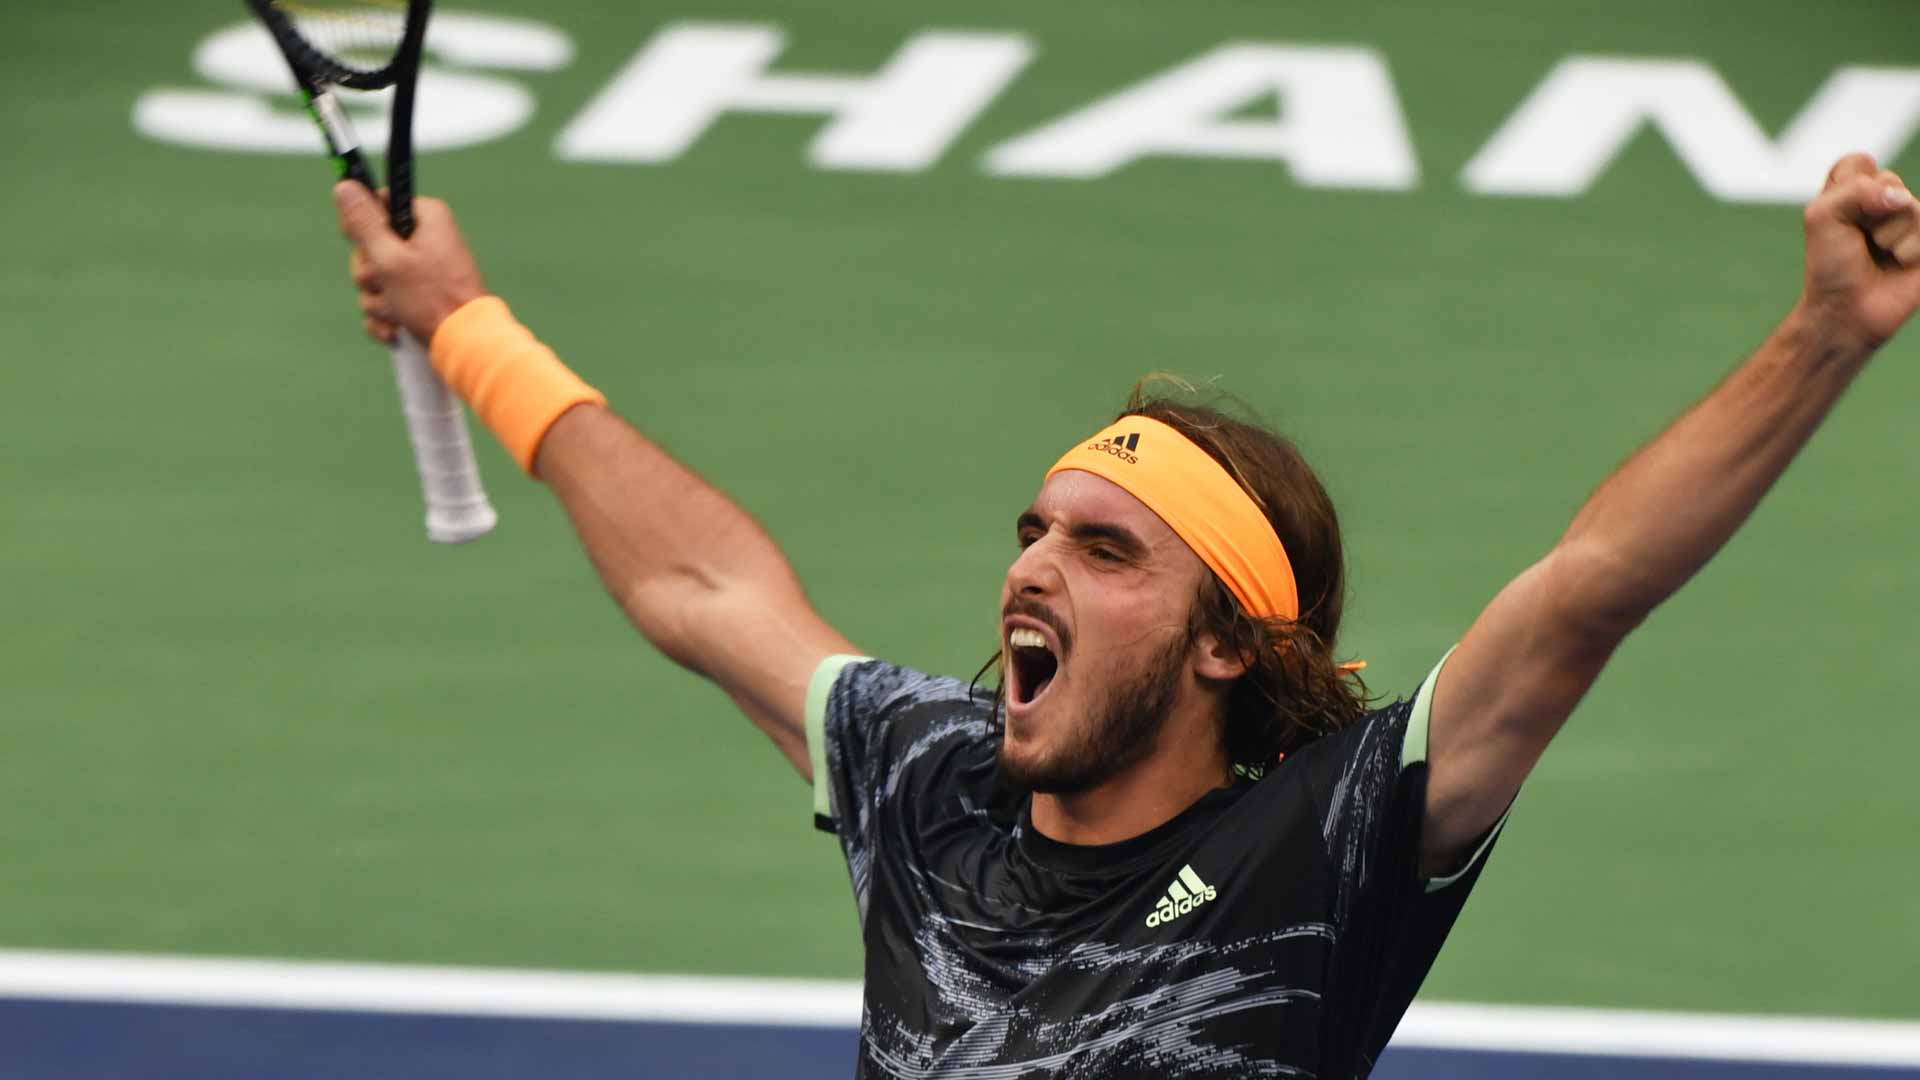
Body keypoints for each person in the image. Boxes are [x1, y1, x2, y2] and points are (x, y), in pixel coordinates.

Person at [333, 152, 1920, 1078]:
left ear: (1226, 642)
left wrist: (1824, 339)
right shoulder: (932, 782)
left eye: (1106, 551)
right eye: (1035, 531)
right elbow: (706, 589)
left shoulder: (1327, 840)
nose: (1032, 567)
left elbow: (1586, 594)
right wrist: (472, 329)